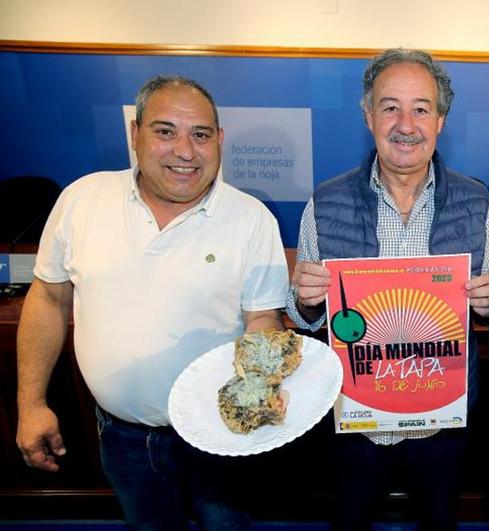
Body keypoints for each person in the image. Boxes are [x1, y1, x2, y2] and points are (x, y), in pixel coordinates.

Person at [16, 75, 289, 530]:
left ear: (219, 141)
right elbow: (47, 297)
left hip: (219, 435)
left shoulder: (250, 218)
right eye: (166, 131)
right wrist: (30, 404)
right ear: (135, 133)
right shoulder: (82, 200)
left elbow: (262, 317)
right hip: (121, 436)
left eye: (200, 135)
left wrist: (260, 398)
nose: (185, 150)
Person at [286, 48, 489, 531]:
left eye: (421, 108)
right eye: (390, 107)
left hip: (442, 419)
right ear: (368, 117)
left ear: (441, 120)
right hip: (356, 419)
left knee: (439, 521)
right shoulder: (325, 202)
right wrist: (304, 298)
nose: (406, 124)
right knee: (349, 521)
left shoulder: (479, 203)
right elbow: (303, 316)